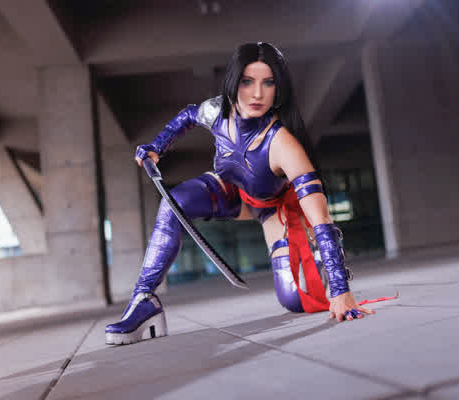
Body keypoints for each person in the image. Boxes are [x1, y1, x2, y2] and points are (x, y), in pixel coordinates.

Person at [105, 42, 374, 345]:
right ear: (234, 81)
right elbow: (188, 116)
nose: (257, 94)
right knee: (174, 203)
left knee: (294, 300)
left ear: (278, 89)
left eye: (268, 83)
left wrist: (339, 290)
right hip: (231, 190)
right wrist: (157, 146)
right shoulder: (217, 112)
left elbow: (321, 218)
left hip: (273, 209)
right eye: (247, 81)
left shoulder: (283, 144)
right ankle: (144, 301)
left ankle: (318, 268)